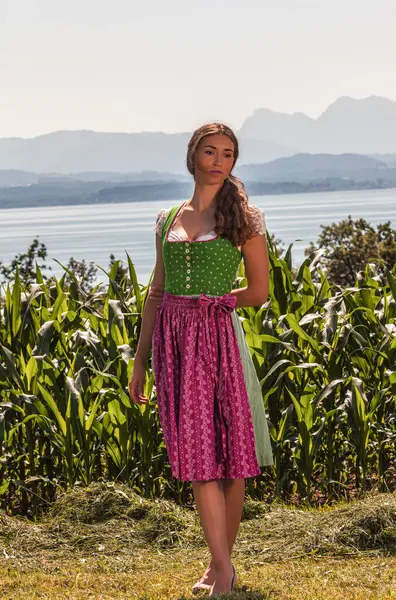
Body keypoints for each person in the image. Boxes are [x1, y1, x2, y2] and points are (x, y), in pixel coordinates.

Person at [129, 122, 273, 597]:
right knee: (197, 458)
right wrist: (139, 361)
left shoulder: (244, 220)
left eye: (228, 154)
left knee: (230, 460)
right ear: (192, 156)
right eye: (210, 152)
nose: (219, 162)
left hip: (217, 340)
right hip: (173, 344)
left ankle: (220, 569)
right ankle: (221, 566)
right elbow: (155, 292)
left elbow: (258, 292)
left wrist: (220, 301)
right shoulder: (167, 218)